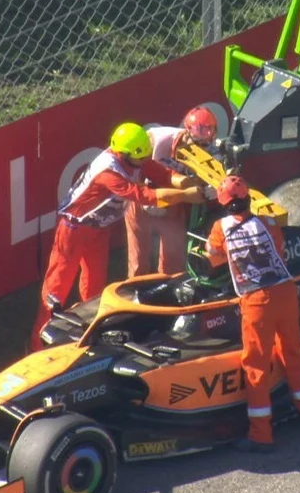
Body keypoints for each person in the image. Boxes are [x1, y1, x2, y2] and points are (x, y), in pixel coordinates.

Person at [31, 121, 208, 350]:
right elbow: (144, 195)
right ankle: (37, 344)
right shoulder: (108, 172)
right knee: (55, 290)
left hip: (98, 230)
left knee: (94, 290)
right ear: (124, 154)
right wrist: (185, 195)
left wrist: (189, 183)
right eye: (139, 158)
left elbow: (161, 173)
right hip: (73, 230)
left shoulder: (135, 158)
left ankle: (87, 340)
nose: (143, 163)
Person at [206, 174, 300, 453]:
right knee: (292, 353)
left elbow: (212, 257)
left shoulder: (219, 228)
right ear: (249, 198)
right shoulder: (269, 223)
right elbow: (280, 250)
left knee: (256, 366)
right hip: (285, 293)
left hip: (257, 301)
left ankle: (261, 434)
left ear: (223, 204)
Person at [125, 106, 219, 277]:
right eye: (196, 144)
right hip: (143, 194)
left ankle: (169, 291)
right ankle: (135, 292)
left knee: (173, 260)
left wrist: (210, 190)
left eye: (205, 145)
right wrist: (143, 197)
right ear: (187, 132)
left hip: (175, 200)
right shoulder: (159, 138)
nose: (199, 150)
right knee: (138, 259)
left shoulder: (212, 153)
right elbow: (133, 166)